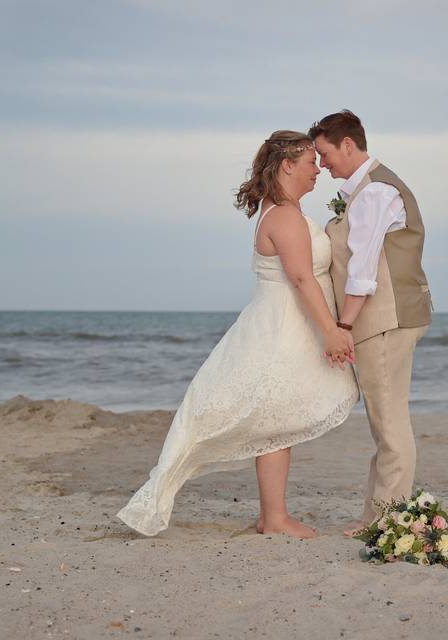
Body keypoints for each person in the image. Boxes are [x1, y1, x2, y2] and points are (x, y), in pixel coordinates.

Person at [117, 130, 359, 539]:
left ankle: (272, 516)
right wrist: (333, 332)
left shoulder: (280, 210)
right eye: (308, 162)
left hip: (283, 325)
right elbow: (302, 279)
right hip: (283, 328)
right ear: (287, 165)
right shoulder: (283, 215)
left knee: (277, 419)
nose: (316, 169)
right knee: (276, 419)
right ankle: (275, 518)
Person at [309, 110, 432, 535]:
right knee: (385, 422)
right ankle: (377, 515)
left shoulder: (376, 191)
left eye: (325, 154)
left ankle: (388, 521)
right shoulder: (363, 190)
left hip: (384, 320)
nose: (322, 165)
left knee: (391, 424)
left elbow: (363, 270)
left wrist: (342, 327)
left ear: (348, 144)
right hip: (380, 320)